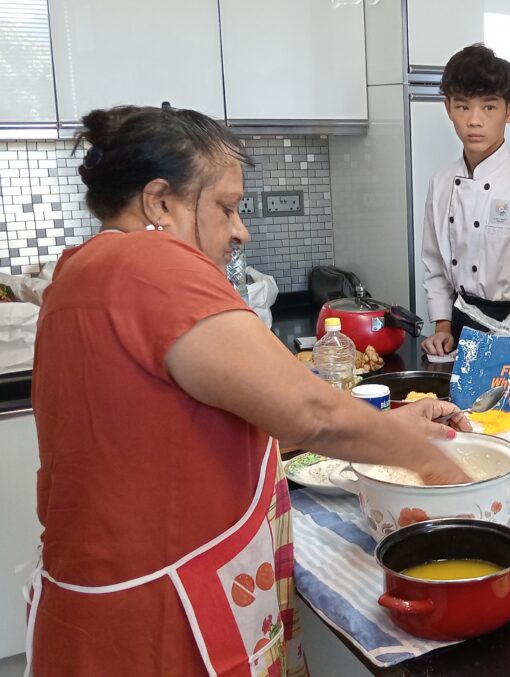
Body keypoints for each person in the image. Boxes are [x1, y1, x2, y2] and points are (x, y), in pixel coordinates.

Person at [28, 104, 471, 676]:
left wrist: (394, 428)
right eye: (225, 207)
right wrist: (430, 464)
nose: (241, 229)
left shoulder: (82, 271)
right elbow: (311, 411)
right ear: (161, 202)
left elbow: (174, 437)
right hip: (164, 626)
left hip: (101, 613)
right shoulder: (151, 263)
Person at [420, 44, 510, 355]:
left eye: (488, 107)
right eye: (462, 107)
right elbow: (434, 263)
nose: (474, 120)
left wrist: (500, 341)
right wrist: (442, 325)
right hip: (461, 321)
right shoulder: (441, 182)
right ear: (448, 108)